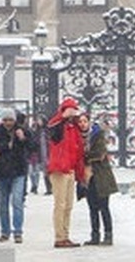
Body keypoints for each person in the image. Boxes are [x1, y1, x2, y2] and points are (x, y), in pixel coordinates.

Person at [46, 96, 85, 248]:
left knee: (68, 205)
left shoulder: (73, 129)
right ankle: (59, 237)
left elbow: (78, 149)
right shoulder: (58, 127)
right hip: (59, 169)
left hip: (70, 170)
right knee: (60, 204)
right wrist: (62, 116)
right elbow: (51, 127)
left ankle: (65, 235)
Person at [0, 110, 31, 243]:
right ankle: (5, 231)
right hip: (2, 172)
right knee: (3, 203)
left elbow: (32, 147)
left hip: (18, 171)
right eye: (5, 120)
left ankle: (18, 231)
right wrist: (4, 146)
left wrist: (23, 138)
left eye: (10, 120)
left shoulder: (22, 130)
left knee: (17, 202)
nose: (8, 123)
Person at [80, 113, 117, 246]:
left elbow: (100, 154)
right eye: (80, 122)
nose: (82, 124)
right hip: (87, 177)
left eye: (85, 121)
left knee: (104, 207)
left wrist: (85, 157)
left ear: (89, 122)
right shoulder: (78, 138)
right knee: (92, 207)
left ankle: (108, 235)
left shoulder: (98, 135)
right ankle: (95, 235)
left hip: (101, 176)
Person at [27, 116, 44, 194]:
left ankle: (35, 186)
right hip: (30, 154)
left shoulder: (40, 132)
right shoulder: (29, 131)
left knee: (36, 171)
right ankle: (33, 185)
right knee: (31, 172)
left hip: (37, 154)